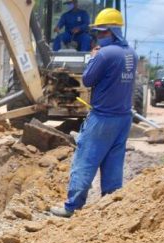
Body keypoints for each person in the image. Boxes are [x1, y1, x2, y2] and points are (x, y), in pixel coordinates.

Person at [50, 8, 137, 218]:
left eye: (101, 32)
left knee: (85, 160)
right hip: (124, 118)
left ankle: (72, 206)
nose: (98, 36)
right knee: (114, 163)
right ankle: (110, 205)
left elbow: (88, 80)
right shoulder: (132, 54)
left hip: (102, 118)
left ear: (110, 32)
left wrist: (93, 58)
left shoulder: (105, 54)